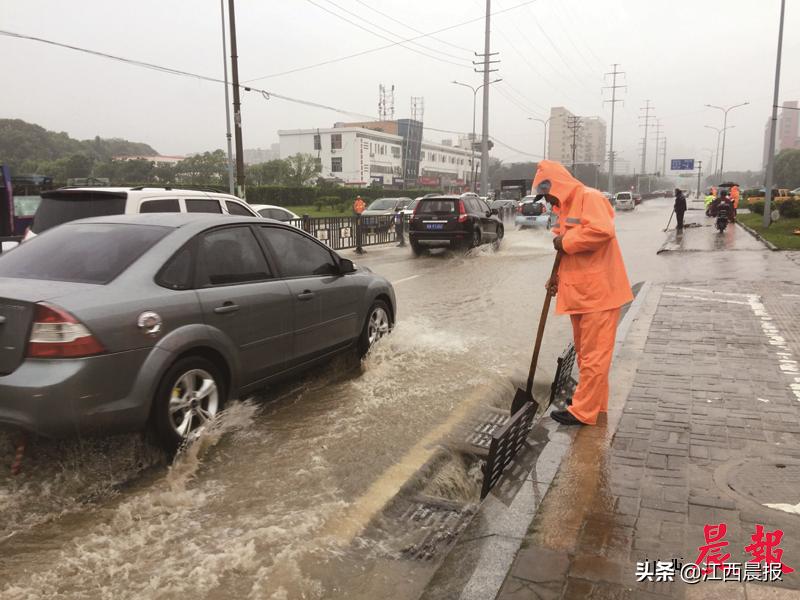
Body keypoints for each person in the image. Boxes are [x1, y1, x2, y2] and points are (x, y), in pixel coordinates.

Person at [533, 160, 634, 426]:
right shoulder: (565, 207)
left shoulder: (590, 197)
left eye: (548, 193)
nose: (547, 199)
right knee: (586, 354)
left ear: (558, 185)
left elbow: (601, 231)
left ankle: (583, 411)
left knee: (594, 356)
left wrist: (564, 242)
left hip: (599, 294)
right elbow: (566, 252)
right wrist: (555, 277)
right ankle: (593, 404)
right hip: (582, 293)